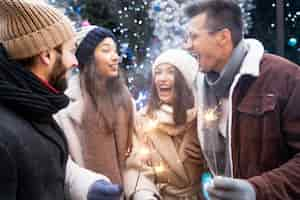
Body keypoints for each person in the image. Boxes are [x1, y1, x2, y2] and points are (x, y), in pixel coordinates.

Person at [0, 0, 122, 199]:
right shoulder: (5, 136)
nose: (75, 61)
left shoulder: (36, 106)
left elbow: (48, 168)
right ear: (46, 55)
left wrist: (88, 186)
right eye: (70, 51)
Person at [184, 0, 300, 199]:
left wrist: (256, 190)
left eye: (194, 37)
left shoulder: (286, 78)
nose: (187, 45)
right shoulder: (201, 86)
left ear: (223, 37)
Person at [55, 26, 134, 186]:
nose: (115, 57)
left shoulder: (126, 101)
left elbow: (136, 160)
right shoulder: (65, 106)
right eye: (106, 50)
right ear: (88, 57)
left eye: (116, 51)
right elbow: (65, 167)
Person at [124, 49, 208, 200]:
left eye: (170, 72)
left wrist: (206, 158)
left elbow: (223, 167)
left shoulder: (202, 119)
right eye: (158, 72)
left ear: (186, 80)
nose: (162, 79)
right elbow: (136, 169)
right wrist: (145, 195)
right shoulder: (143, 121)